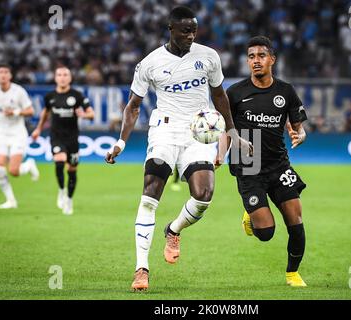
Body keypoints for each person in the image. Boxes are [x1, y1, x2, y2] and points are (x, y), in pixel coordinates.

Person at [105, 6, 252, 292]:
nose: (191, 35)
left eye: (194, 30)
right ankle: (141, 269)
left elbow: (219, 95)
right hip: (165, 130)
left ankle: (173, 229)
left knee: (204, 195)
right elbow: (133, 107)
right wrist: (121, 142)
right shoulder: (150, 63)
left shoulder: (209, 57)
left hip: (200, 131)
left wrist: (232, 131)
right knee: (150, 194)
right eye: (185, 30)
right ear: (171, 29)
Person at [219, 36, 309, 287]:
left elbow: (298, 128)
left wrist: (299, 134)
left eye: (261, 56)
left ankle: (292, 273)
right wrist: (219, 155)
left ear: (272, 59)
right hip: (248, 163)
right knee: (266, 234)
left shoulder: (285, 91)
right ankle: (251, 214)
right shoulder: (235, 92)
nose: (255, 61)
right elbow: (226, 129)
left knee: (296, 220)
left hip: (278, 163)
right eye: (251, 57)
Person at [32, 67, 94, 215]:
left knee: (72, 171)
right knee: (59, 161)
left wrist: (83, 115)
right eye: (59, 74)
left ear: (70, 78)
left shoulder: (77, 96)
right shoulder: (50, 97)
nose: (62, 77)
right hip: (56, 136)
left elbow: (91, 114)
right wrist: (38, 129)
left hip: (72, 138)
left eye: (65, 74)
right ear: (55, 78)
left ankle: (69, 200)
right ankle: (61, 190)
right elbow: (45, 113)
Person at [0, 64, 39, 209]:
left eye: (6, 72)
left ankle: (29, 165)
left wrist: (15, 112)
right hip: (1, 133)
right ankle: (11, 201)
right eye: (0, 72)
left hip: (17, 133)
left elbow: (30, 111)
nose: (3, 75)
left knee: (13, 171)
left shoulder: (18, 91)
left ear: (10, 76)